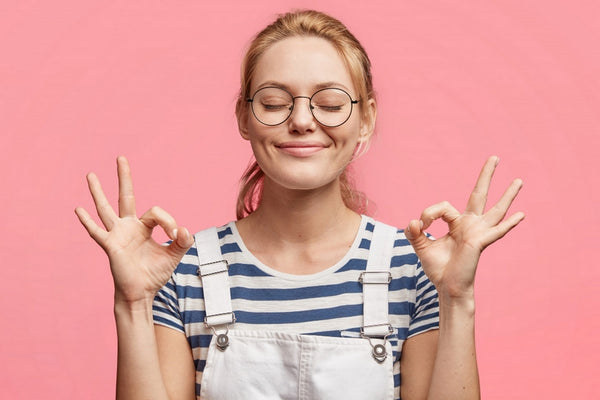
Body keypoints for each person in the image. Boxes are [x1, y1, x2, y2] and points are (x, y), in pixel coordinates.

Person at [75, 9, 524, 400]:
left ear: (366, 120)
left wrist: (457, 298)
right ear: (244, 118)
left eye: (330, 103)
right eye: (274, 102)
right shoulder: (180, 270)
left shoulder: (418, 268)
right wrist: (132, 302)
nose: (303, 120)